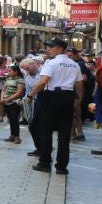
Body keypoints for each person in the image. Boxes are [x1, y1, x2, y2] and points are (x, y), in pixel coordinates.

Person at [26, 38, 83, 174]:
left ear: (60, 48)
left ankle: (45, 163)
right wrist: (77, 102)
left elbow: (43, 81)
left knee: (45, 132)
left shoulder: (51, 63)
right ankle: (62, 167)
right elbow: (80, 86)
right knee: (64, 135)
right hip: (68, 97)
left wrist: (30, 95)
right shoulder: (74, 64)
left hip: (52, 97)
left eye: (51, 47)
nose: (48, 49)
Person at [66, 47, 90, 141]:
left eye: (70, 56)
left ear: (76, 55)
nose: (69, 58)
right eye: (67, 56)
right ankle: (79, 133)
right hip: (77, 92)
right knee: (76, 114)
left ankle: (73, 134)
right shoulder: (76, 63)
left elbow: (83, 79)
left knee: (74, 114)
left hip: (76, 92)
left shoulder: (78, 64)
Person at [0, 61, 26, 144]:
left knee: (14, 119)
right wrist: (2, 98)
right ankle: (12, 135)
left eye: (10, 71)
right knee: (10, 119)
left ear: (16, 72)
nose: (8, 72)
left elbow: (19, 92)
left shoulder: (20, 80)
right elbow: (4, 89)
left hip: (15, 102)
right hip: (6, 101)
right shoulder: (8, 79)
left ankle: (17, 136)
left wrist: (9, 99)